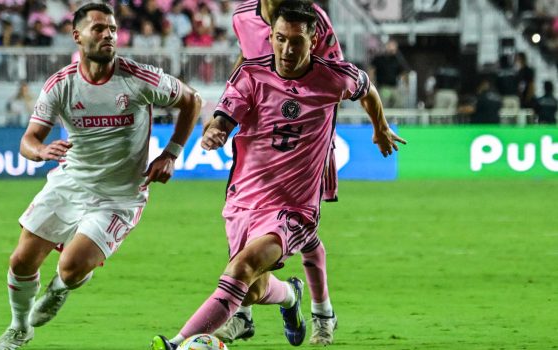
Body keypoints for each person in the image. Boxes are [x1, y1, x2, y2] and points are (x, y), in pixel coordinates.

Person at [151, 2, 405, 349]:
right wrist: (216, 132)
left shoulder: (333, 76)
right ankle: (290, 296)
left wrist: (380, 127)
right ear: (269, 36)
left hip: (294, 206)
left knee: (243, 267)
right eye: (280, 39)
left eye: (296, 41)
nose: (287, 49)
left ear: (313, 40)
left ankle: (178, 343)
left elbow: (367, 89)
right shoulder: (250, 74)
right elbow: (226, 116)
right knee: (253, 289)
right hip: (247, 196)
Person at [0, 3, 201, 349]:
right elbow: (28, 141)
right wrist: (41, 151)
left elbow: (191, 100)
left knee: (71, 268)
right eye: (99, 29)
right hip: (70, 183)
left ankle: (60, 288)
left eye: (113, 29)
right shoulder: (61, 85)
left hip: (120, 195)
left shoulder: (138, 78)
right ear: (77, 36)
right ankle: (19, 328)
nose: (108, 35)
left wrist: (171, 154)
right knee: (21, 260)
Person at [217, 0, 343, 345]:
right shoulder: (242, 16)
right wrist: (227, 105)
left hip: (300, 140)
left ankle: (322, 313)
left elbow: (332, 72)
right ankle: (244, 315)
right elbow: (248, 61)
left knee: (300, 231)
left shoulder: (310, 16)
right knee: (245, 226)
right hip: (257, 139)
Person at [370, 39, 409, 108]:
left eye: (394, 47)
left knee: (399, 104)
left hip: (394, 87)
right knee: (383, 105)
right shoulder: (379, 59)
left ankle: (395, 119)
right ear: (387, 46)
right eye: (390, 46)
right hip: (384, 87)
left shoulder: (397, 60)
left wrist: (406, 86)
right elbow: (372, 71)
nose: (392, 48)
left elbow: (403, 73)